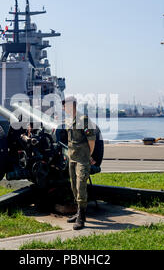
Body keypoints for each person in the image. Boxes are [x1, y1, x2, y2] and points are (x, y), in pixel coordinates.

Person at [63, 96, 97, 231]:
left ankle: (82, 217)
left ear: (72, 105)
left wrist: (89, 156)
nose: (63, 108)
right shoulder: (69, 120)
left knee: (81, 185)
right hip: (72, 158)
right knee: (74, 186)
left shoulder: (84, 120)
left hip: (82, 159)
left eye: (65, 106)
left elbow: (91, 141)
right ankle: (78, 212)